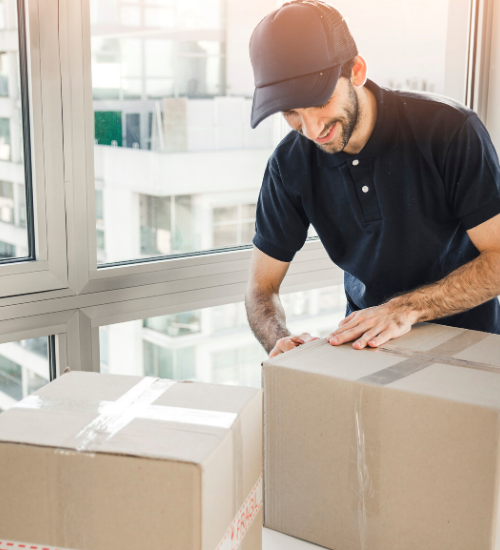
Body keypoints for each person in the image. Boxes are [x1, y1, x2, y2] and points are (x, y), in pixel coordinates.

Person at [245, 0, 500, 357]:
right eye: (291, 113)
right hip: (367, 351)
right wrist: (278, 339)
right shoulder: (289, 164)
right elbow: (261, 288)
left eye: (319, 101)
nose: (312, 129)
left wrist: (405, 309)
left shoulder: (450, 130)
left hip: (468, 347)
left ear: (357, 71)